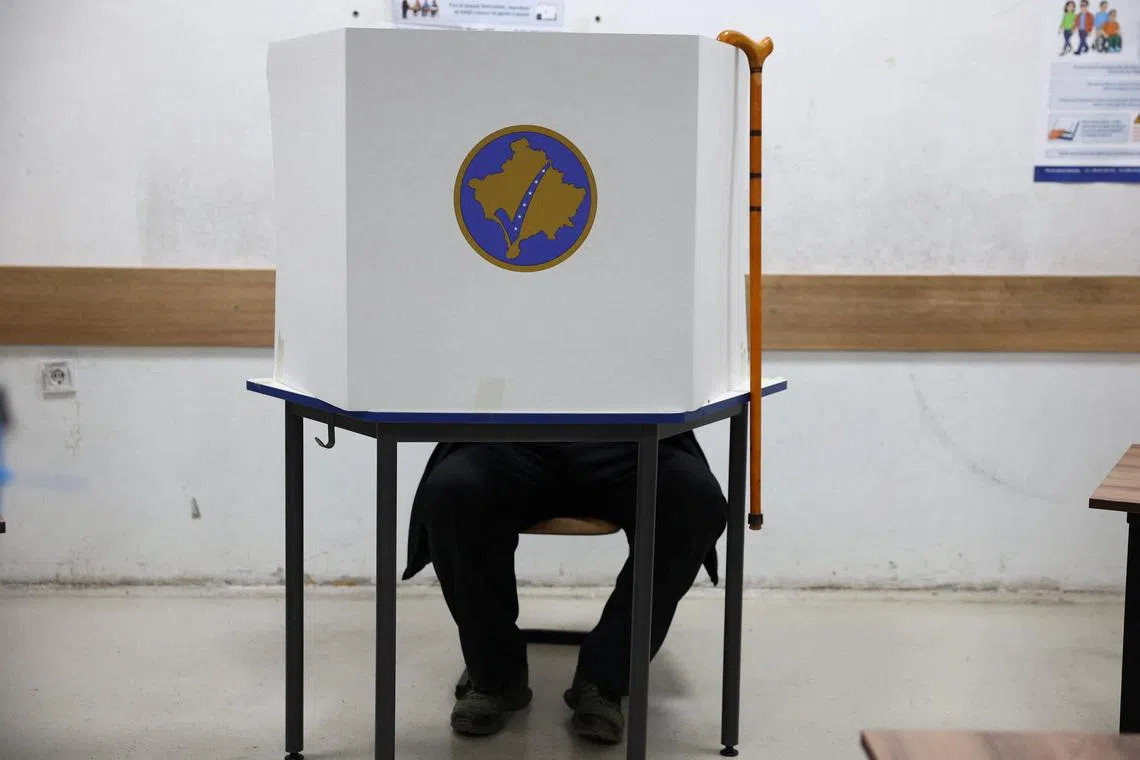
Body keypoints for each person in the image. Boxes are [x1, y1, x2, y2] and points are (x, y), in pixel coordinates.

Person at [402, 435, 729, 744]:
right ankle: (494, 678)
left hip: (626, 443)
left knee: (694, 498)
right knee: (453, 491)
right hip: (510, 441)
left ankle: (605, 677)